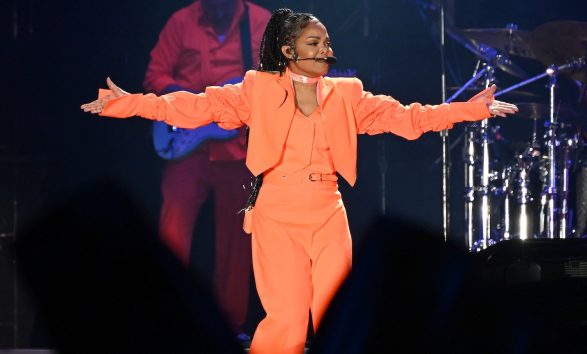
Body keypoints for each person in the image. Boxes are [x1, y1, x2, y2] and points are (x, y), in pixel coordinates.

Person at [82, 8, 518, 354]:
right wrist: (132, 104)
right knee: (286, 324)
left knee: (339, 318)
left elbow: (406, 117)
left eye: (327, 42)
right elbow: (197, 108)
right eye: (314, 42)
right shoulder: (256, 87)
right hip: (277, 211)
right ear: (288, 50)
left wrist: (466, 109)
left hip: (328, 210)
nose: (326, 48)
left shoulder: (347, 93)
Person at [143, 0, 270, 340]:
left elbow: (278, 83)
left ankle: (228, 327)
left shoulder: (260, 23)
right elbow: (155, 75)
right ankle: (168, 320)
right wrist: (189, 103)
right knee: (172, 232)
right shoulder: (181, 21)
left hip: (239, 151)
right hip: (186, 150)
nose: (217, 10)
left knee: (236, 242)